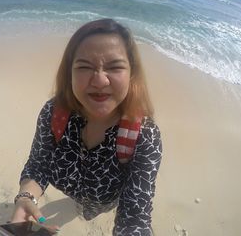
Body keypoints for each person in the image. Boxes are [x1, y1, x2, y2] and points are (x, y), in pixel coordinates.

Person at [11, 18, 162, 235]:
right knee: (78, 206)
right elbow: (39, 165)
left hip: (105, 202)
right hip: (73, 192)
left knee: (91, 211)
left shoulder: (144, 136)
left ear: (132, 74)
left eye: (115, 67)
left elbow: (135, 217)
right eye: (84, 67)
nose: (100, 81)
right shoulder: (54, 113)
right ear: (69, 72)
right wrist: (26, 197)